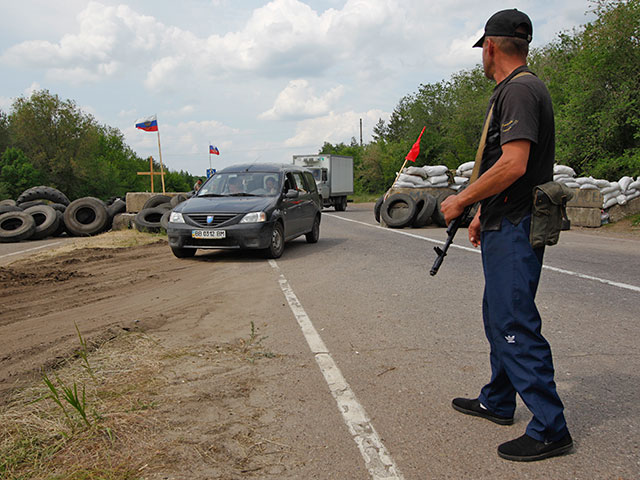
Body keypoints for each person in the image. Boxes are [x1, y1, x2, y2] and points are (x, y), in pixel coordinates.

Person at [440, 8, 572, 462]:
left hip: (517, 226)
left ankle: (551, 428)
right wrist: (483, 212)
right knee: (499, 315)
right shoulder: (519, 88)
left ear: (490, 46)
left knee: (513, 321)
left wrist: (461, 200)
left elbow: (514, 163)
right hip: (505, 219)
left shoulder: (518, 90)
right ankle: (497, 400)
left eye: (482, 49)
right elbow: (513, 168)